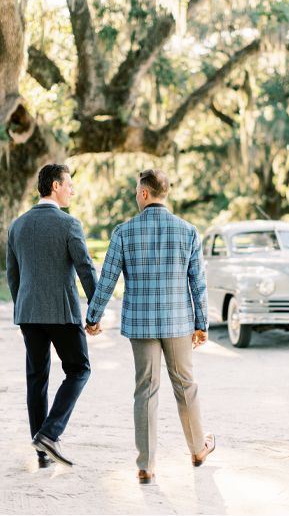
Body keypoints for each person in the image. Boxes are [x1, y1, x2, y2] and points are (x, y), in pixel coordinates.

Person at [86, 169, 215, 484]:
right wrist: (202, 324)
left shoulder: (123, 232)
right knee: (185, 385)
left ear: (144, 193)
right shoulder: (188, 232)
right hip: (178, 323)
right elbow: (198, 284)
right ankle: (198, 450)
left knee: (145, 391)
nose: (135, 195)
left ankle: (146, 465)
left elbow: (107, 280)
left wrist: (93, 316)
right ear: (164, 193)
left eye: (135, 191)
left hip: (141, 324)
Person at [6, 164, 97, 468]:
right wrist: (94, 311)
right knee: (79, 369)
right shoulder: (69, 224)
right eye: (69, 184)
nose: (72, 190)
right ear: (56, 186)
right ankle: (50, 433)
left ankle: (42, 455)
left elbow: (13, 275)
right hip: (61, 312)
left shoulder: (17, 225)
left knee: (37, 380)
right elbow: (85, 268)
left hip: (29, 313)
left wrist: (22, 306)